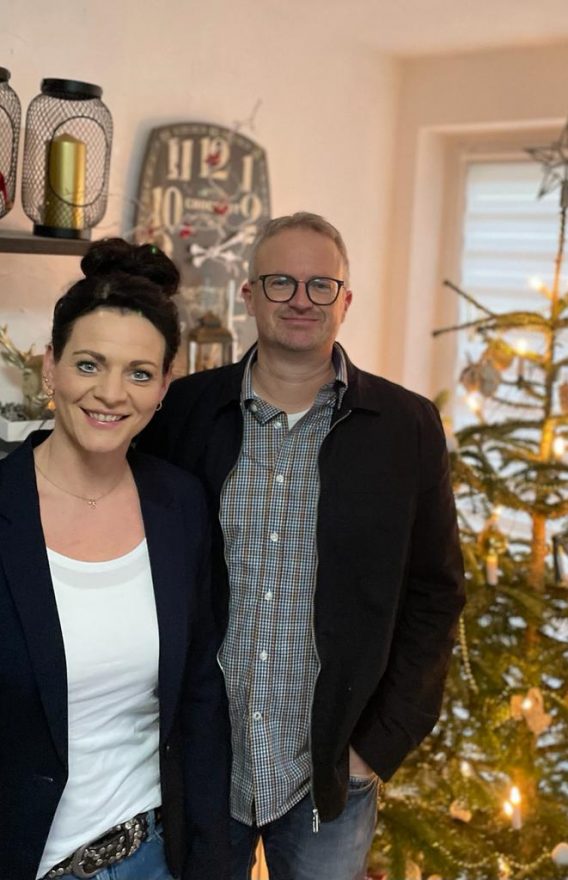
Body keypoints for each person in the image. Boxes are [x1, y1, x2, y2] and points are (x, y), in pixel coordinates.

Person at [138, 212, 465, 880]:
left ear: (345, 301)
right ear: (249, 294)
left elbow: (436, 594)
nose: (300, 299)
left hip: (329, 777)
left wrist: (376, 746)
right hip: (204, 763)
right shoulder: (183, 413)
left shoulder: (406, 427)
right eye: (280, 281)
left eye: (321, 285)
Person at [0, 239, 230, 880]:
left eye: (139, 373)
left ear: (164, 386)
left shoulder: (180, 505)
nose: (110, 394)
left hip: (153, 854)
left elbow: (201, 696)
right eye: (88, 364)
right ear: (50, 366)